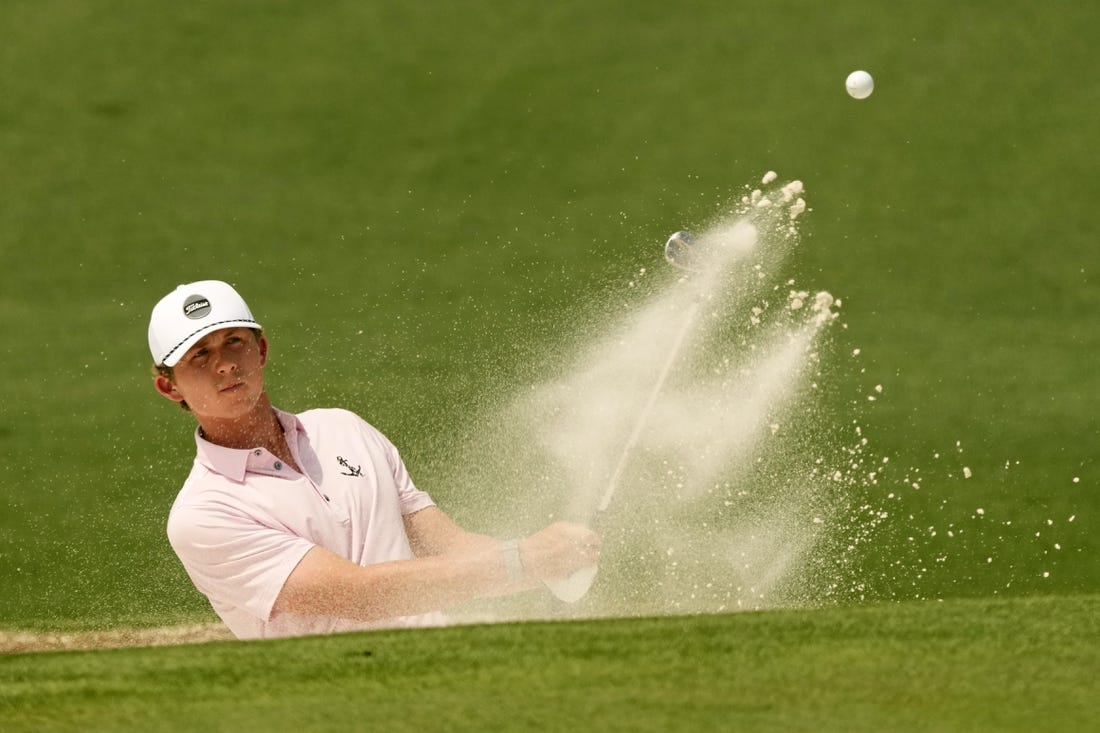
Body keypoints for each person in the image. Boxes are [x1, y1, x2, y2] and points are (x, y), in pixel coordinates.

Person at [149, 280, 600, 639]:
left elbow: (452, 549)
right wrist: (525, 559)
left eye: (233, 342)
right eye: (200, 355)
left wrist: (554, 560)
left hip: (446, 672)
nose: (225, 364)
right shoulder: (203, 515)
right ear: (170, 387)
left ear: (261, 349)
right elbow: (362, 594)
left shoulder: (343, 428)